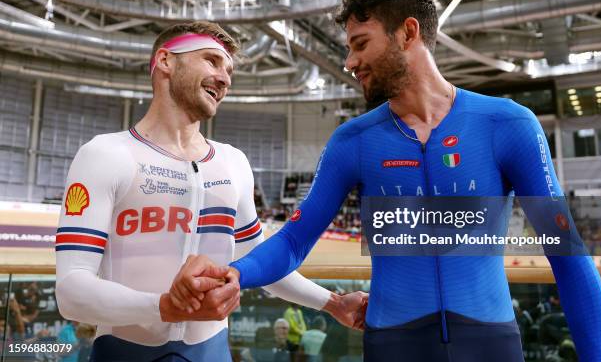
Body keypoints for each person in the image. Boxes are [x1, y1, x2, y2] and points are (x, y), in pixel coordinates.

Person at [214, 0, 601, 361]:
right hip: (394, 343)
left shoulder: (507, 125)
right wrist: (236, 273)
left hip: (489, 343)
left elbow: (569, 258)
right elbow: (294, 240)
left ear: (407, 33)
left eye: (360, 44)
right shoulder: (353, 141)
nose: (350, 61)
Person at [55, 21, 367, 361]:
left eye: (229, 70)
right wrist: (164, 306)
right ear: (165, 61)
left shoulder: (233, 163)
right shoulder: (105, 155)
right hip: (124, 351)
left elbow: (261, 268)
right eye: (212, 60)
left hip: (213, 351)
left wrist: (333, 303)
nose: (225, 78)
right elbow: (71, 291)